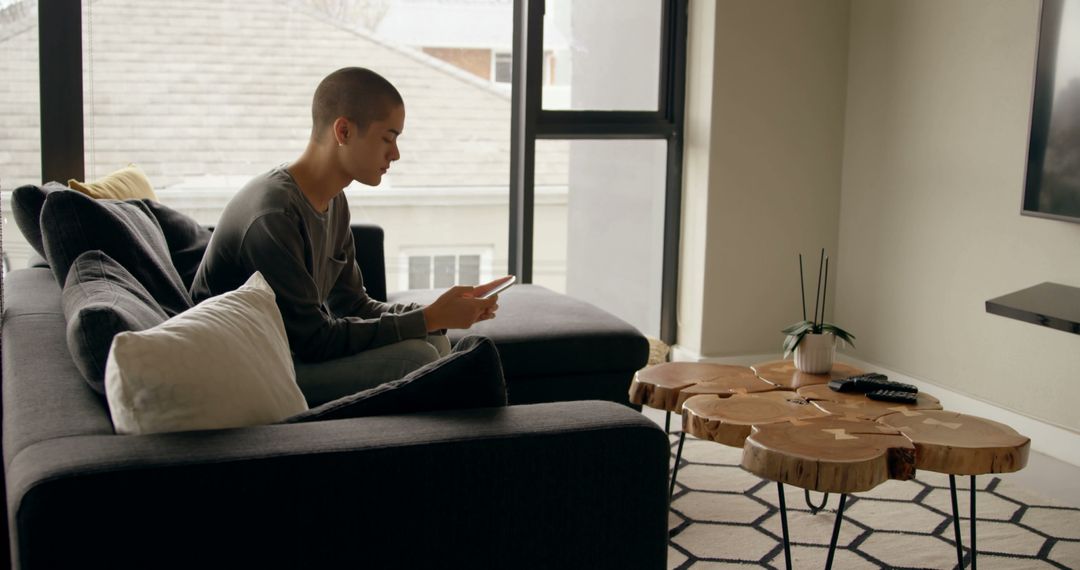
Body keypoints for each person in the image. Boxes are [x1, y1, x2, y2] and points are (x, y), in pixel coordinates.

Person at [191, 67, 509, 406]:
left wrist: (437, 312)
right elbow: (314, 339)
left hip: (287, 352)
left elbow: (352, 305)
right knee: (416, 360)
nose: (396, 154)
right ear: (343, 130)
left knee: (434, 341)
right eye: (388, 138)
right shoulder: (273, 214)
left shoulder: (333, 201)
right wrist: (428, 318)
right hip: (245, 369)